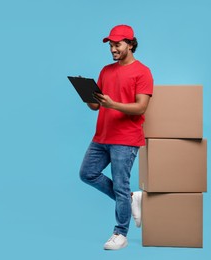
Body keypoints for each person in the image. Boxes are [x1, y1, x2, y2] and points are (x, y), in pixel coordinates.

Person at [79, 24, 154, 250]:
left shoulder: (142, 72)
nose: (113, 49)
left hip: (126, 138)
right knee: (87, 173)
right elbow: (96, 106)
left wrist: (113, 104)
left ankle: (120, 234)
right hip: (102, 135)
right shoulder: (106, 71)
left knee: (120, 186)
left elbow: (141, 107)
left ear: (130, 44)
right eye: (110, 45)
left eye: (117, 44)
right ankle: (132, 199)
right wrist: (86, 95)